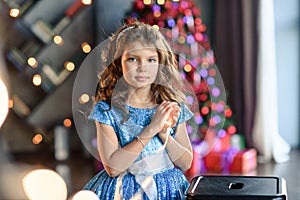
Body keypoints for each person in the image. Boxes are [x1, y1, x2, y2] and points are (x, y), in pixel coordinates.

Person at [84, 21, 194, 200]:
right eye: (133, 59)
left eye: (151, 59)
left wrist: (164, 133)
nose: (143, 67)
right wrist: (151, 129)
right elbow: (113, 168)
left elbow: (185, 162)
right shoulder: (107, 110)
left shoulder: (171, 106)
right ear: (119, 62)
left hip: (168, 190)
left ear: (160, 63)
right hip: (121, 191)